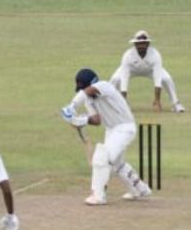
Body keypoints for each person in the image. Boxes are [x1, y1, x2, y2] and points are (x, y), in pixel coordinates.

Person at [61, 69, 153, 205]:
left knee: (101, 158)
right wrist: (80, 120)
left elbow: (90, 91)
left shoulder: (104, 86)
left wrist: (72, 106)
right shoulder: (88, 100)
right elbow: (97, 120)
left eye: (83, 87)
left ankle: (98, 196)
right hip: (111, 130)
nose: (83, 91)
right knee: (117, 164)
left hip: (124, 127)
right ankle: (140, 189)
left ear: (91, 83)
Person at [109, 30, 186, 113]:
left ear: (148, 44)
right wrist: (123, 100)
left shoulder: (155, 55)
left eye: (144, 43)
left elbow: (157, 78)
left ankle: (176, 103)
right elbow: (124, 79)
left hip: (150, 70)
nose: (141, 46)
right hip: (131, 70)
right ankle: (113, 104)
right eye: (139, 44)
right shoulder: (128, 55)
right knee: (116, 79)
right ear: (135, 44)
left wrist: (157, 100)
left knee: (166, 78)